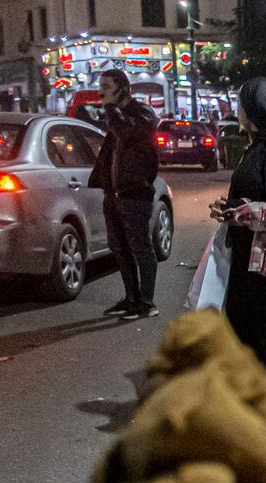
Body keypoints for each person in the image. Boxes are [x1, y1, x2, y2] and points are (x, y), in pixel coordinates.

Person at [209, 78, 266, 374]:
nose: (237, 111)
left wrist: (241, 211)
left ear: (252, 110)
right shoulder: (256, 147)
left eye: (239, 105)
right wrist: (227, 209)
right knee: (245, 342)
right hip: (246, 263)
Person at [90, 69, 160, 320]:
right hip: (115, 195)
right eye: (101, 86)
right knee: (120, 247)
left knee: (141, 248)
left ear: (123, 88)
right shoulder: (118, 117)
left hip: (135, 193)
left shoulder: (142, 114)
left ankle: (147, 302)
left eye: (107, 86)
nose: (101, 92)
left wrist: (110, 108)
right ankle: (131, 299)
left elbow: (128, 134)